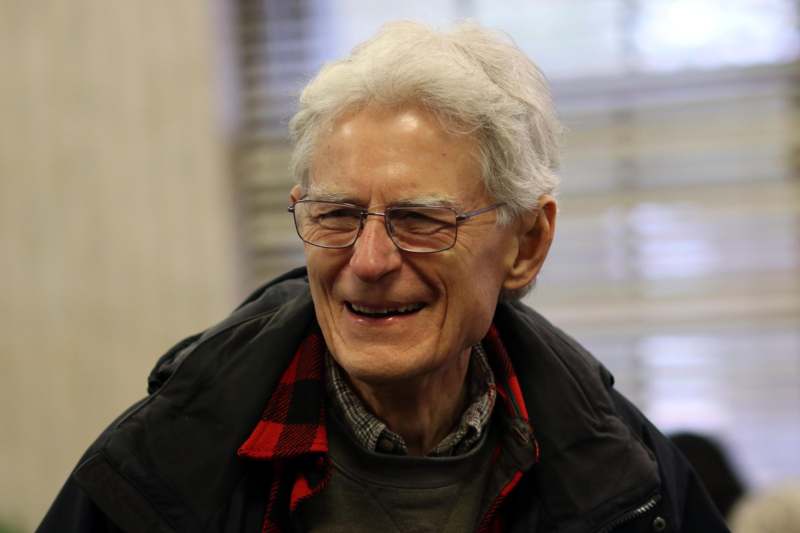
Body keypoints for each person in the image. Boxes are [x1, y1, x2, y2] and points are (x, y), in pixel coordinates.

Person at [38, 21, 729, 532]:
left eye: (421, 219)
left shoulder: (628, 474)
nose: (368, 262)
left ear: (526, 241)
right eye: (336, 213)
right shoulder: (164, 460)